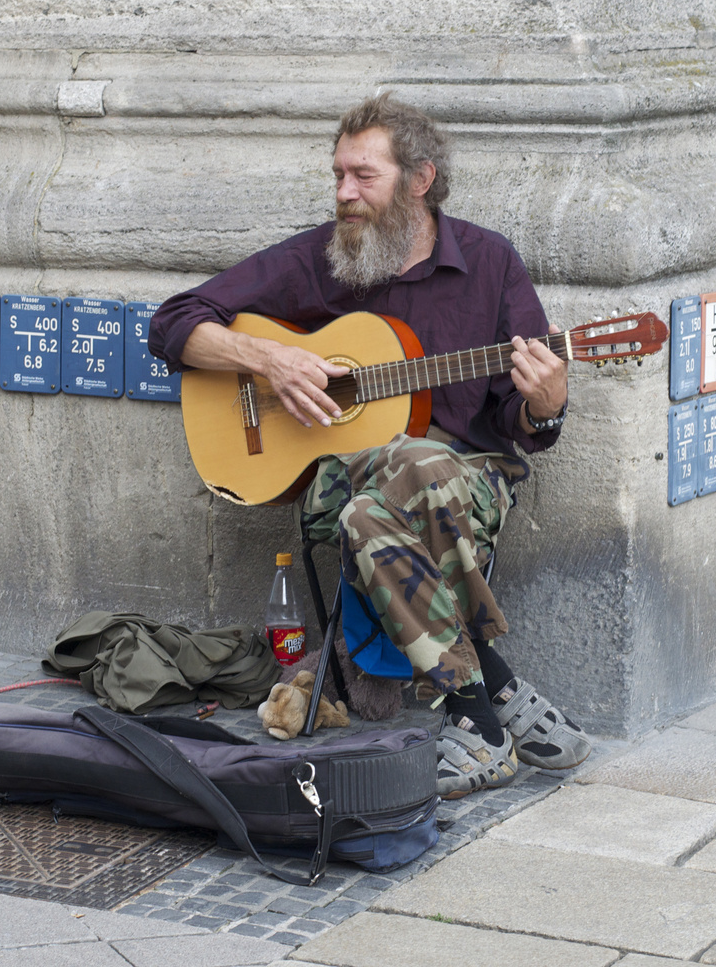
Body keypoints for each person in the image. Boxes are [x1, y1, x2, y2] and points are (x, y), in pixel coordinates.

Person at [149, 94, 594, 799]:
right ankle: (490, 693)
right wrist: (269, 361)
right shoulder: (321, 260)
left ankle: (476, 719)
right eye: (337, 176)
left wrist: (547, 403)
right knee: (388, 476)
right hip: (339, 480)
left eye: (362, 176)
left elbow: (524, 425)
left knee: (384, 499)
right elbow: (173, 324)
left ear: (418, 181)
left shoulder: (489, 264)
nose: (343, 194)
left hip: (469, 482)